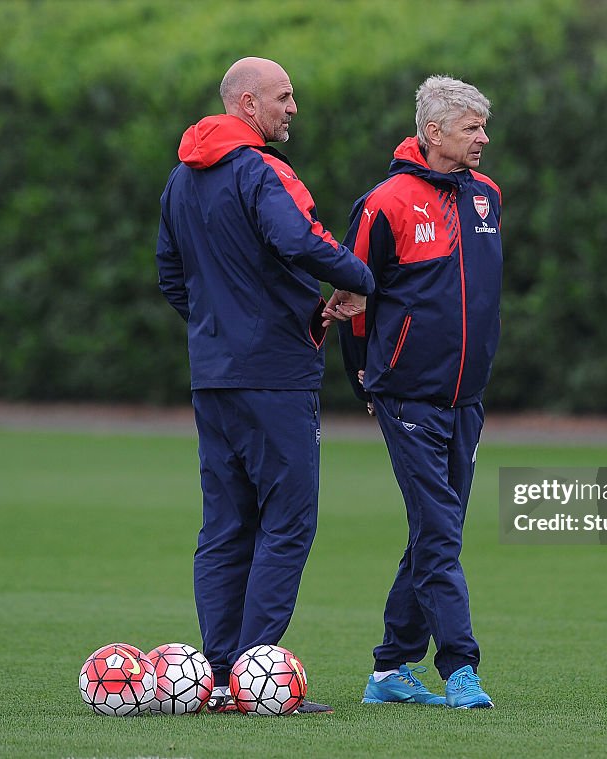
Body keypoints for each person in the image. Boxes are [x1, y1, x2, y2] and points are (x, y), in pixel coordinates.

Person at [156, 57, 374, 715]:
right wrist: (361, 279)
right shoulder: (260, 170)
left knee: (225, 524)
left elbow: (172, 275)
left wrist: (218, 330)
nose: (293, 108)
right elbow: (299, 238)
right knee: (287, 521)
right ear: (248, 103)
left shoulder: (180, 178)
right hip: (275, 376)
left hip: (214, 375)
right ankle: (256, 677)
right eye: (284, 97)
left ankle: (218, 678)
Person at [337, 75, 502, 709]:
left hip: (467, 398)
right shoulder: (386, 203)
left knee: (436, 531)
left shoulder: (486, 196)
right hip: (404, 395)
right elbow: (353, 300)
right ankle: (460, 667)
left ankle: (388, 670)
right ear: (433, 133)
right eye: (471, 128)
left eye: (483, 127)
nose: (482, 139)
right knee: (439, 533)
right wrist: (365, 376)